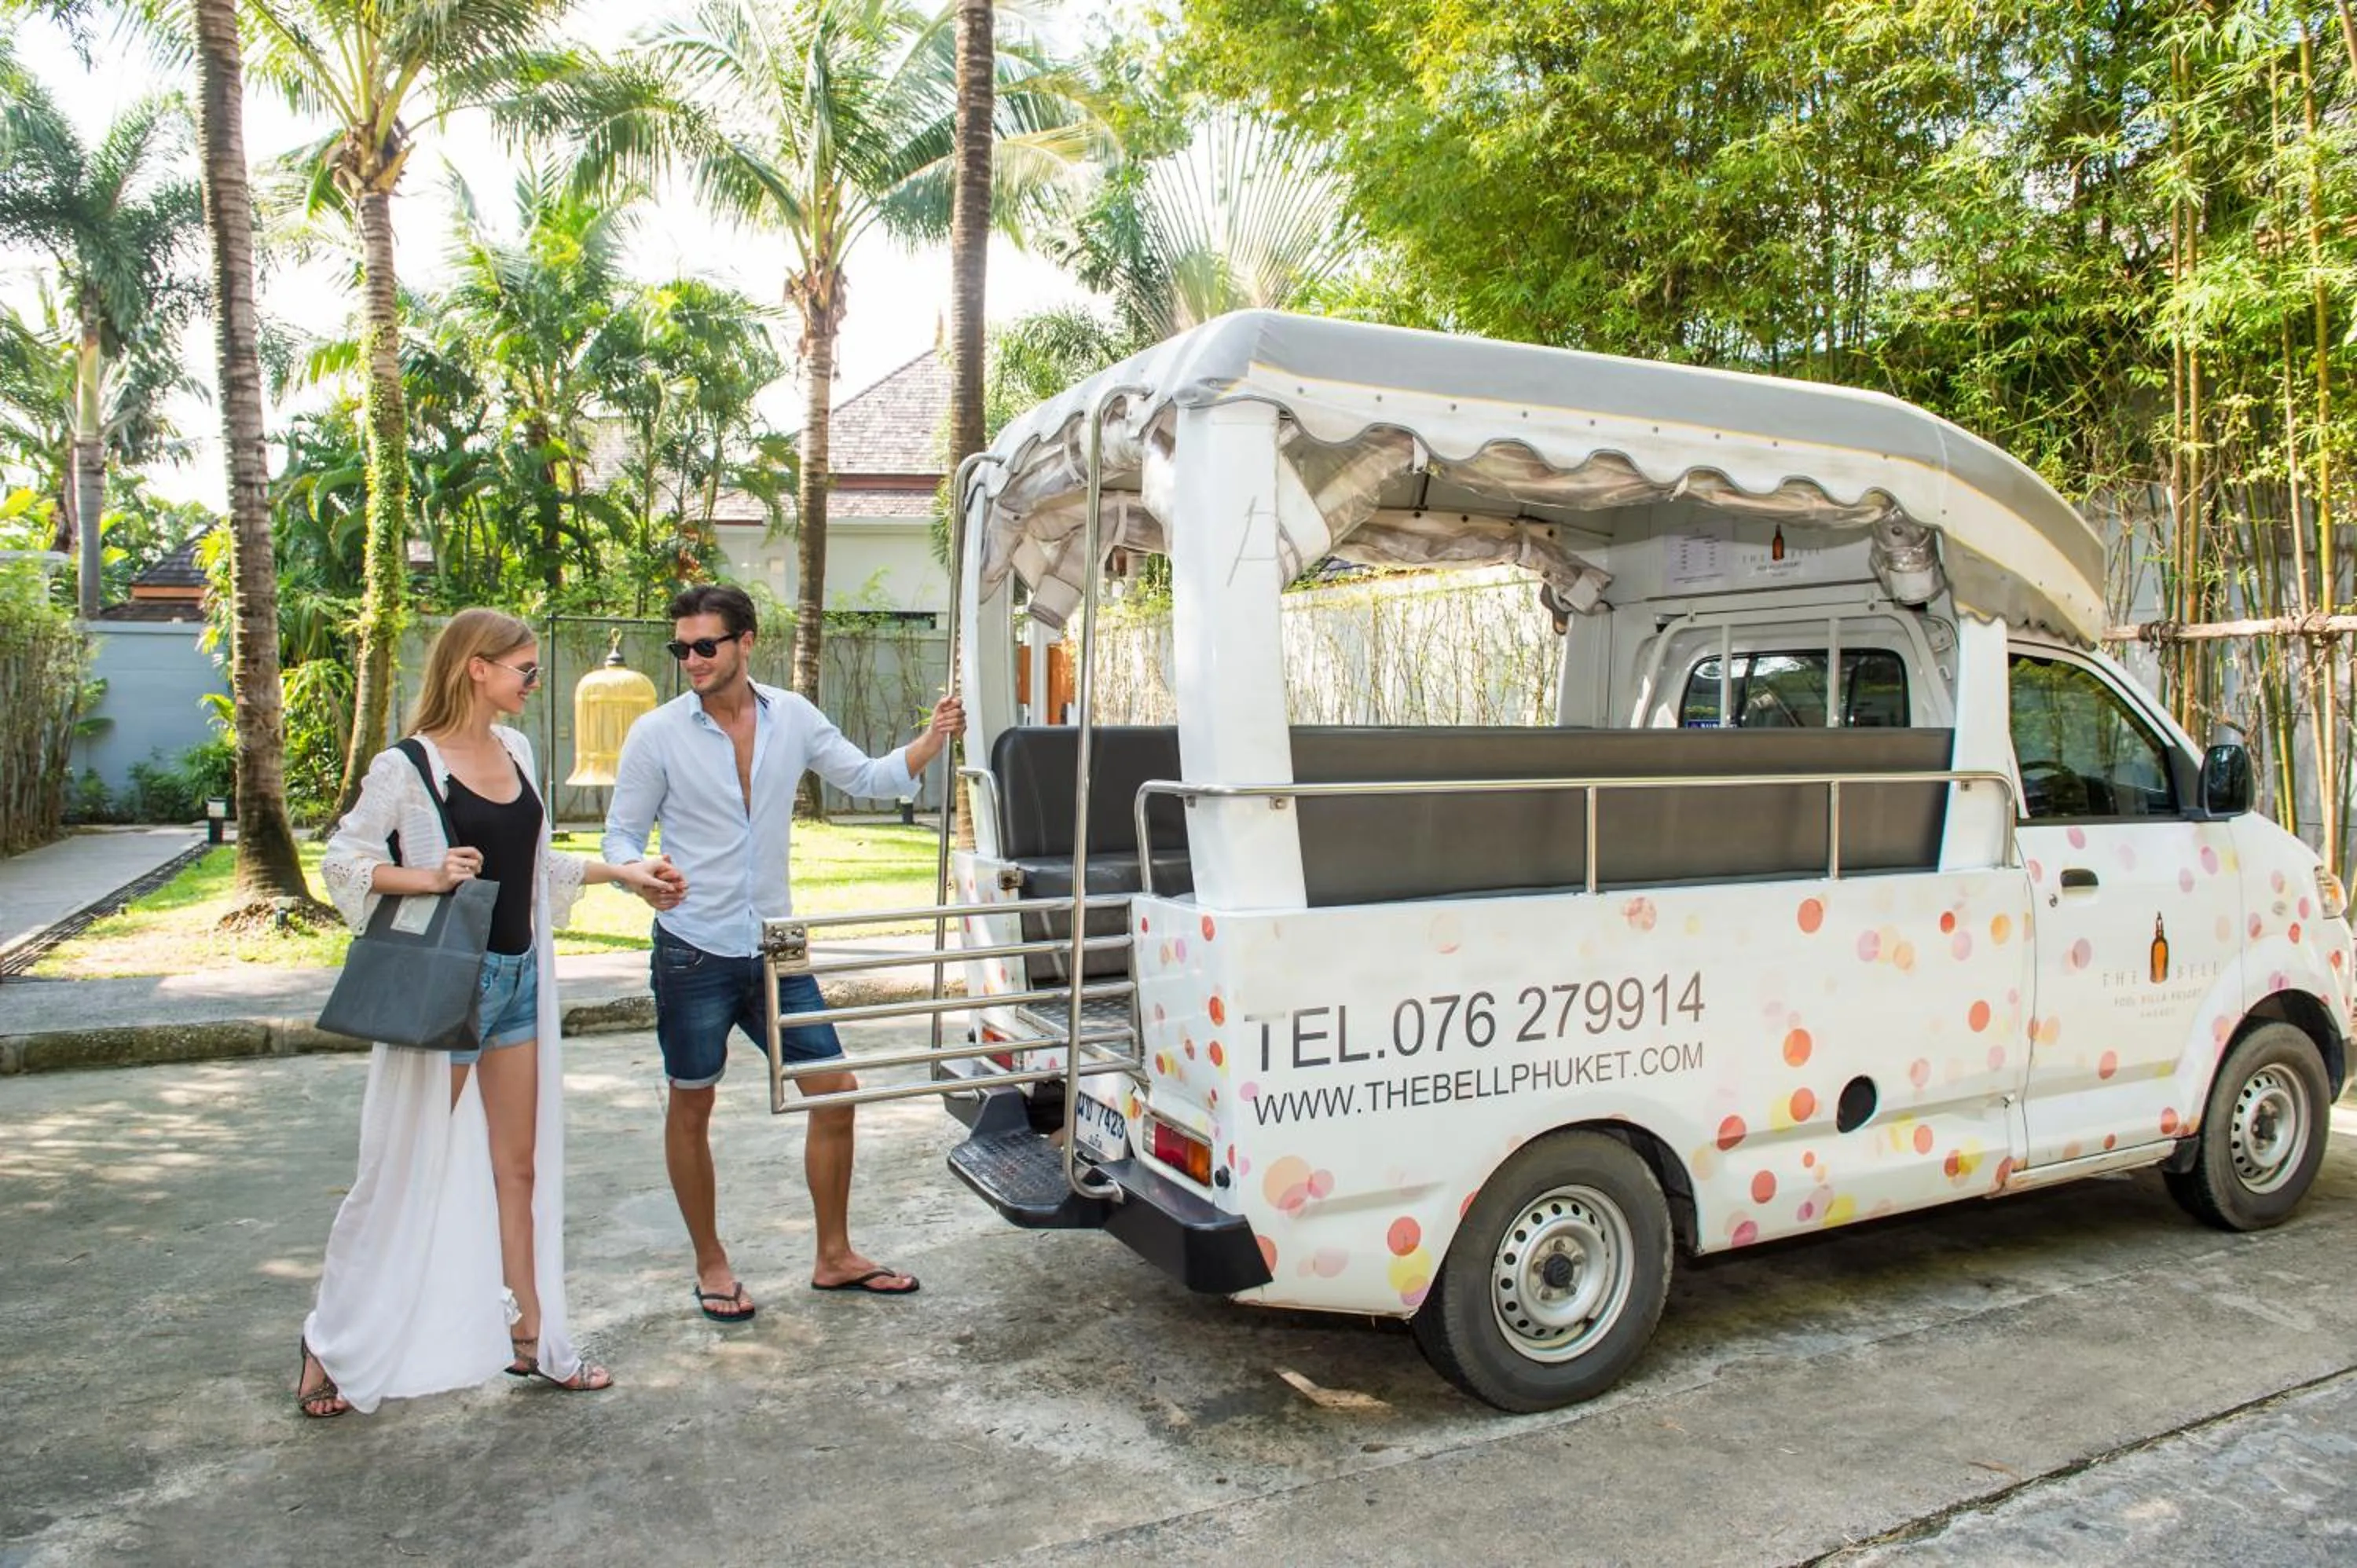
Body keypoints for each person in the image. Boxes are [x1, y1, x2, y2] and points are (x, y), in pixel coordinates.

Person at [297, 609, 686, 1417]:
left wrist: (627, 873)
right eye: (526, 669)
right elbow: (344, 859)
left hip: (517, 983)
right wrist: (429, 875)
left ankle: (533, 1339)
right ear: (477, 667)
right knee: (401, 1169)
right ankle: (329, 1338)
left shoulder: (517, 751)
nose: (532, 681)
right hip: (450, 985)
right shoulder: (409, 766)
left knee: (521, 1167)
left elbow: (535, 864)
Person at [603, 584, 962, 1324]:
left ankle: (834, 1257)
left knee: (837, 1094)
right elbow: (619, 839)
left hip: (777, 945)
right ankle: (711, 1261)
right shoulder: (657, 735)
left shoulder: (791, 717)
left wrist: (930, 740)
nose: (692, 661)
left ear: (745, 642)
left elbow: (864, 777)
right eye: (682, 649)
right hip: (693, 948)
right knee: (691, 1104)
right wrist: (640, 878)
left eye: (706, 645)